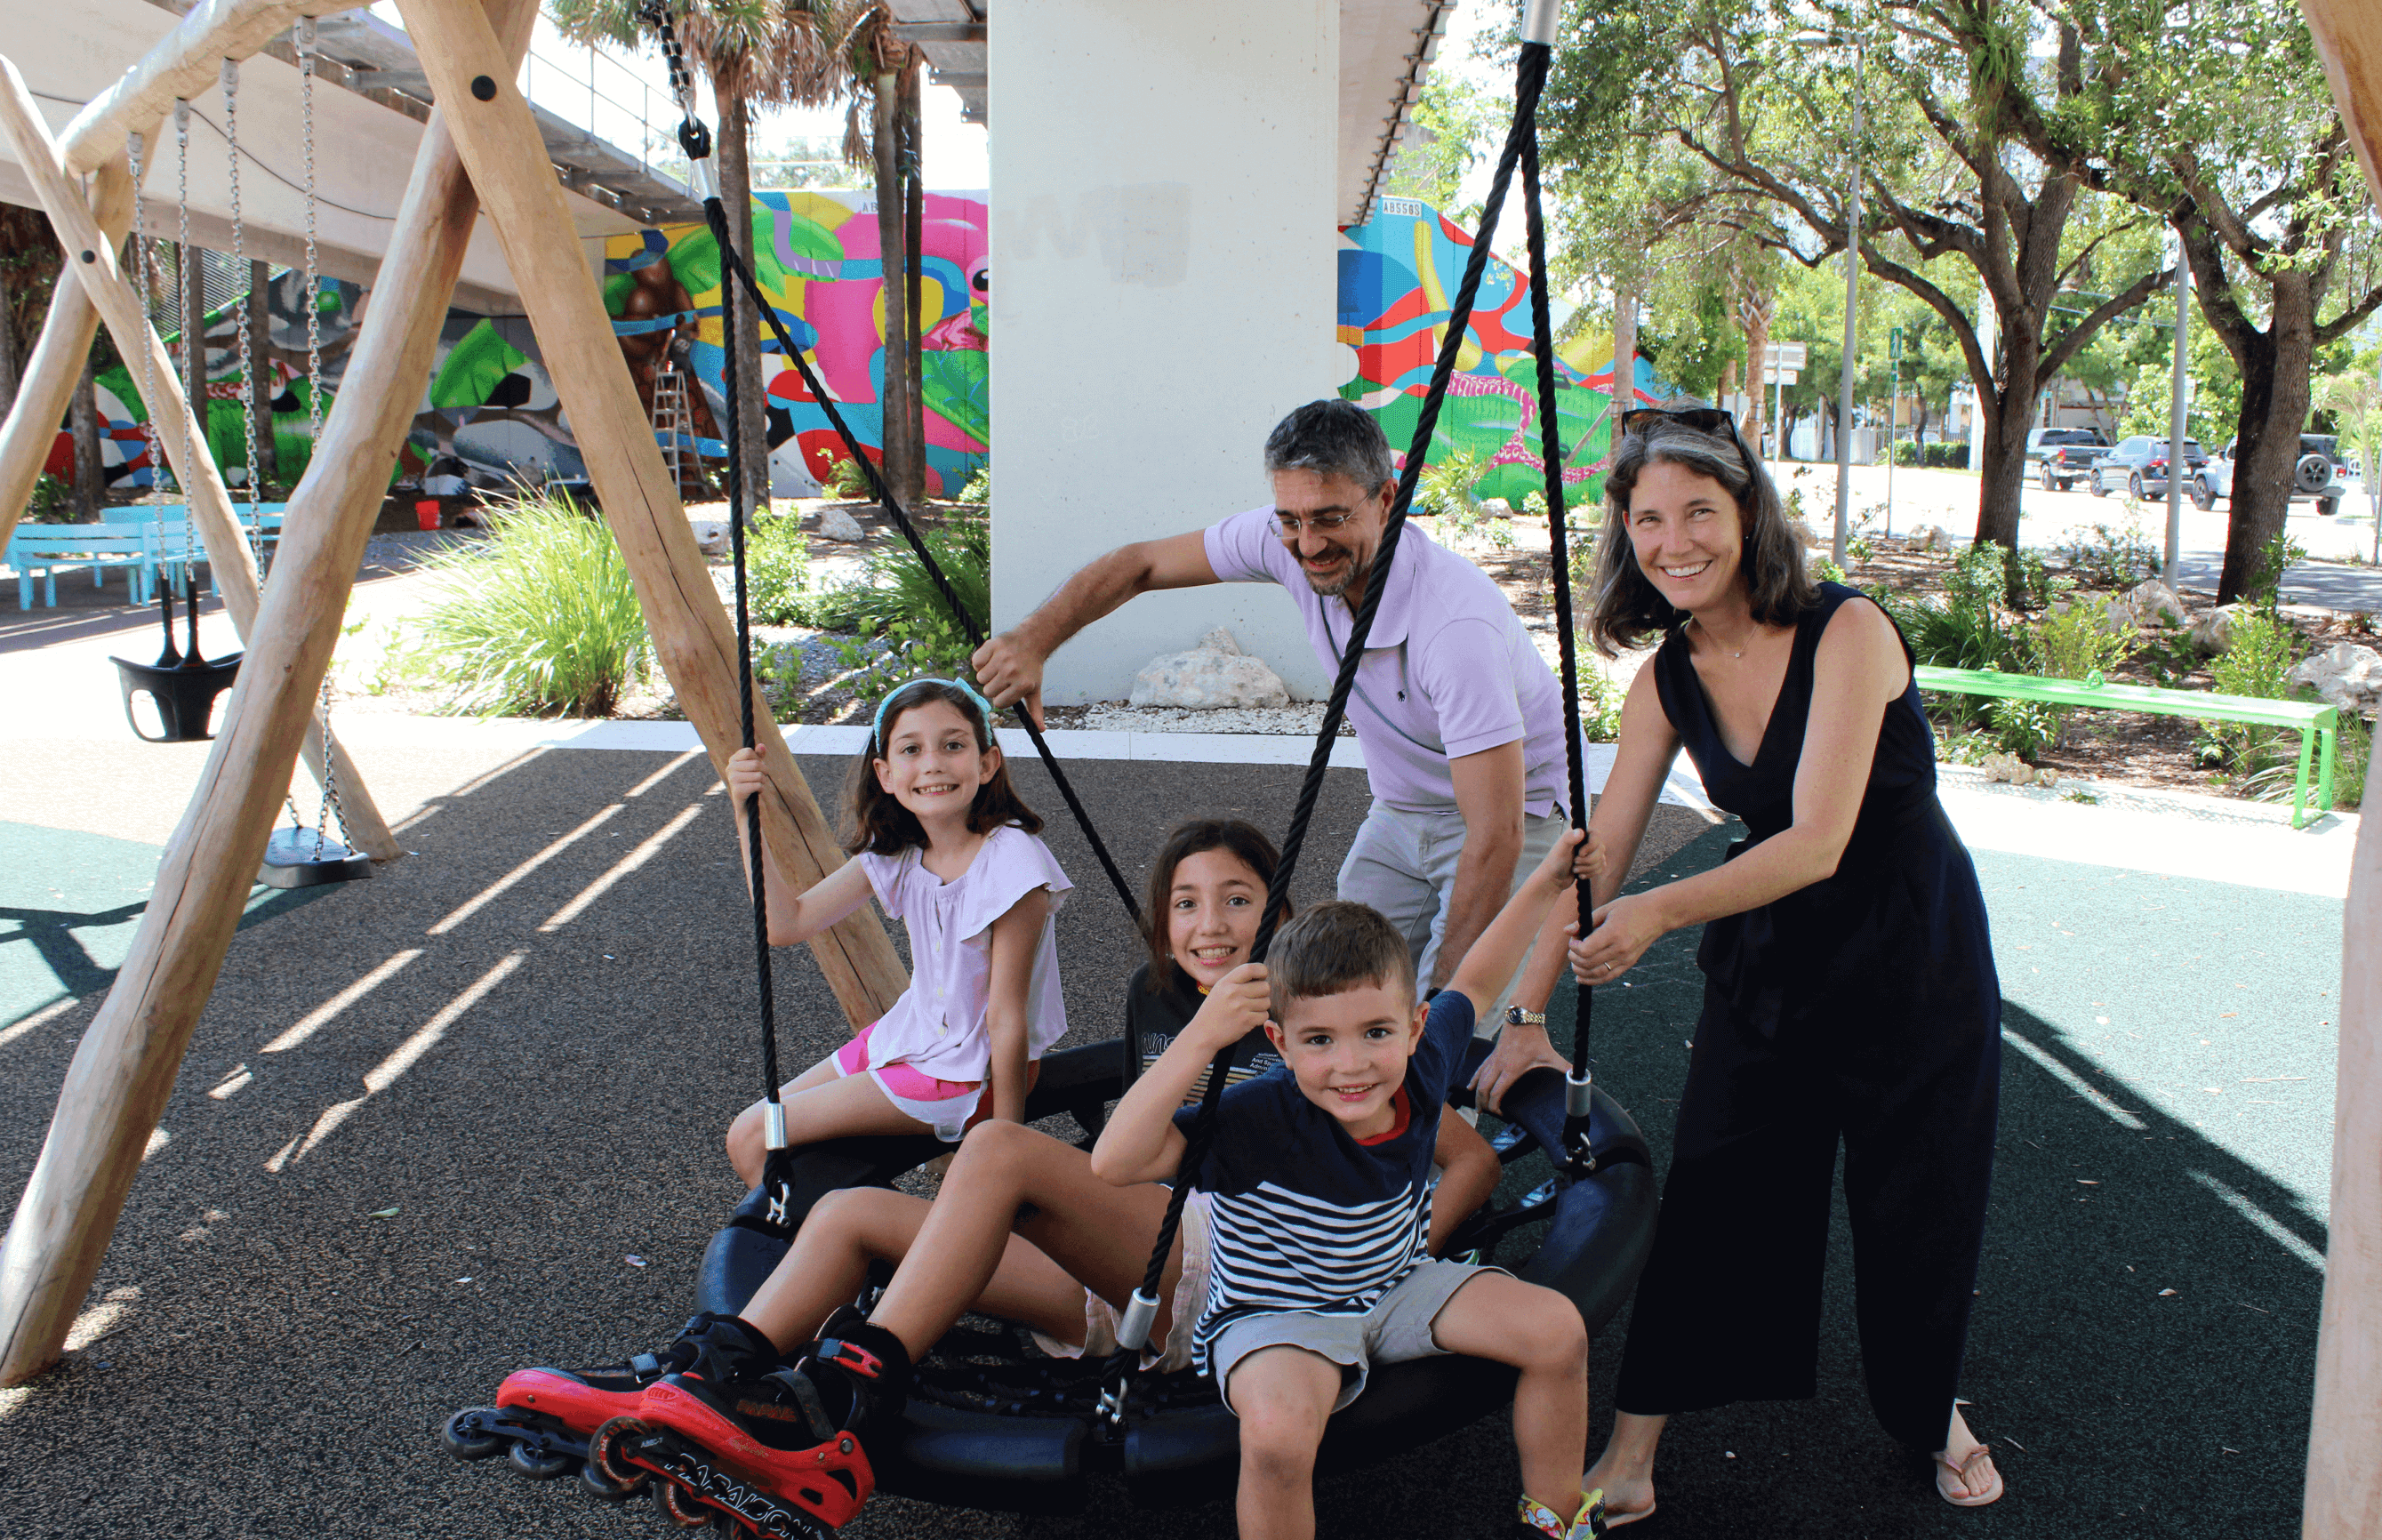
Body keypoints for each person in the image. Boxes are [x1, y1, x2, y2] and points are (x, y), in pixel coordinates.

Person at [486, 821, 1503, 1528]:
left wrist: (1391, 1256)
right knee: (848, 1213)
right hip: (1114, 1290)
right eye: (1186, 902)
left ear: (1276, 916)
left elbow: (1462, 1154)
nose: (1210, 923)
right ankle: (699, 1377)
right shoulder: (1168, 1015)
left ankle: (846, 1410)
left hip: (1223, 1293)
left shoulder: (1325, 1038)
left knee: (1000, 1152)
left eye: (1236, 899)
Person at [1486, 402, 2005, 1522]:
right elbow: (1603, 849)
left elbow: (1816, 840)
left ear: (1747, 511)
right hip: (1774, 960)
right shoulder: (1664, 677)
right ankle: (1632, 1452)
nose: (1672, 542)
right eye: (1646, 519)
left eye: (1697, 512)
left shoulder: (1847, 631)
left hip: (1910, 950)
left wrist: (1660, 914)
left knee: (1912, 1198)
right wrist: (1523, 1004)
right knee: (1718, 1186)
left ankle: (1930, 1413)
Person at [971, 399, 1570, 1024]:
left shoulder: (1454, 629)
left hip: (1510, 815)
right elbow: (1141, 564)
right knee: (1338, 999)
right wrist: (1034, 639)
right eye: (1291, 519)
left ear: (1387, 499)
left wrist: (1442, 1013)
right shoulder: (1285, 537)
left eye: (1330, 519)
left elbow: (1495, 836)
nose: (1308, 544)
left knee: (1457, 1024)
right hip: (1404, 808)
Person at [1094, 847, 1603, 1540]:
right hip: (1275, 1313)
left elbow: (1481, 975)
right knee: (1276, 1437)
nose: (1352, 1065)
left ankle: (1559, 1518)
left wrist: (1547, 879)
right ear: (1280, 1040)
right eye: (1319, 1040)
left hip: (1395, 1283)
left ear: (1415, 1026)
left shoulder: (1423, 1065)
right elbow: (1113, 1163)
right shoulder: (1259, 1116)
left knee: (1557, 1332)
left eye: (1375, 1033)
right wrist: (1202, 1036)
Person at [720, 677, 1071, 1182]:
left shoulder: (1014, 863)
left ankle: (837, 1246)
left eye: (953, 745)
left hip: (969, 1073)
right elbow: (786, 924)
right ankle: (834, 1244)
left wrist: (1005, 1142)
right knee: (754, 1137)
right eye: (912, 750)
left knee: (757, 1135)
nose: (932, 763)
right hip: (907, 1039)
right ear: (885, 774)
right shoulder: (903, 853)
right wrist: (743, 812)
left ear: (987, 762)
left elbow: (1007, 1019)